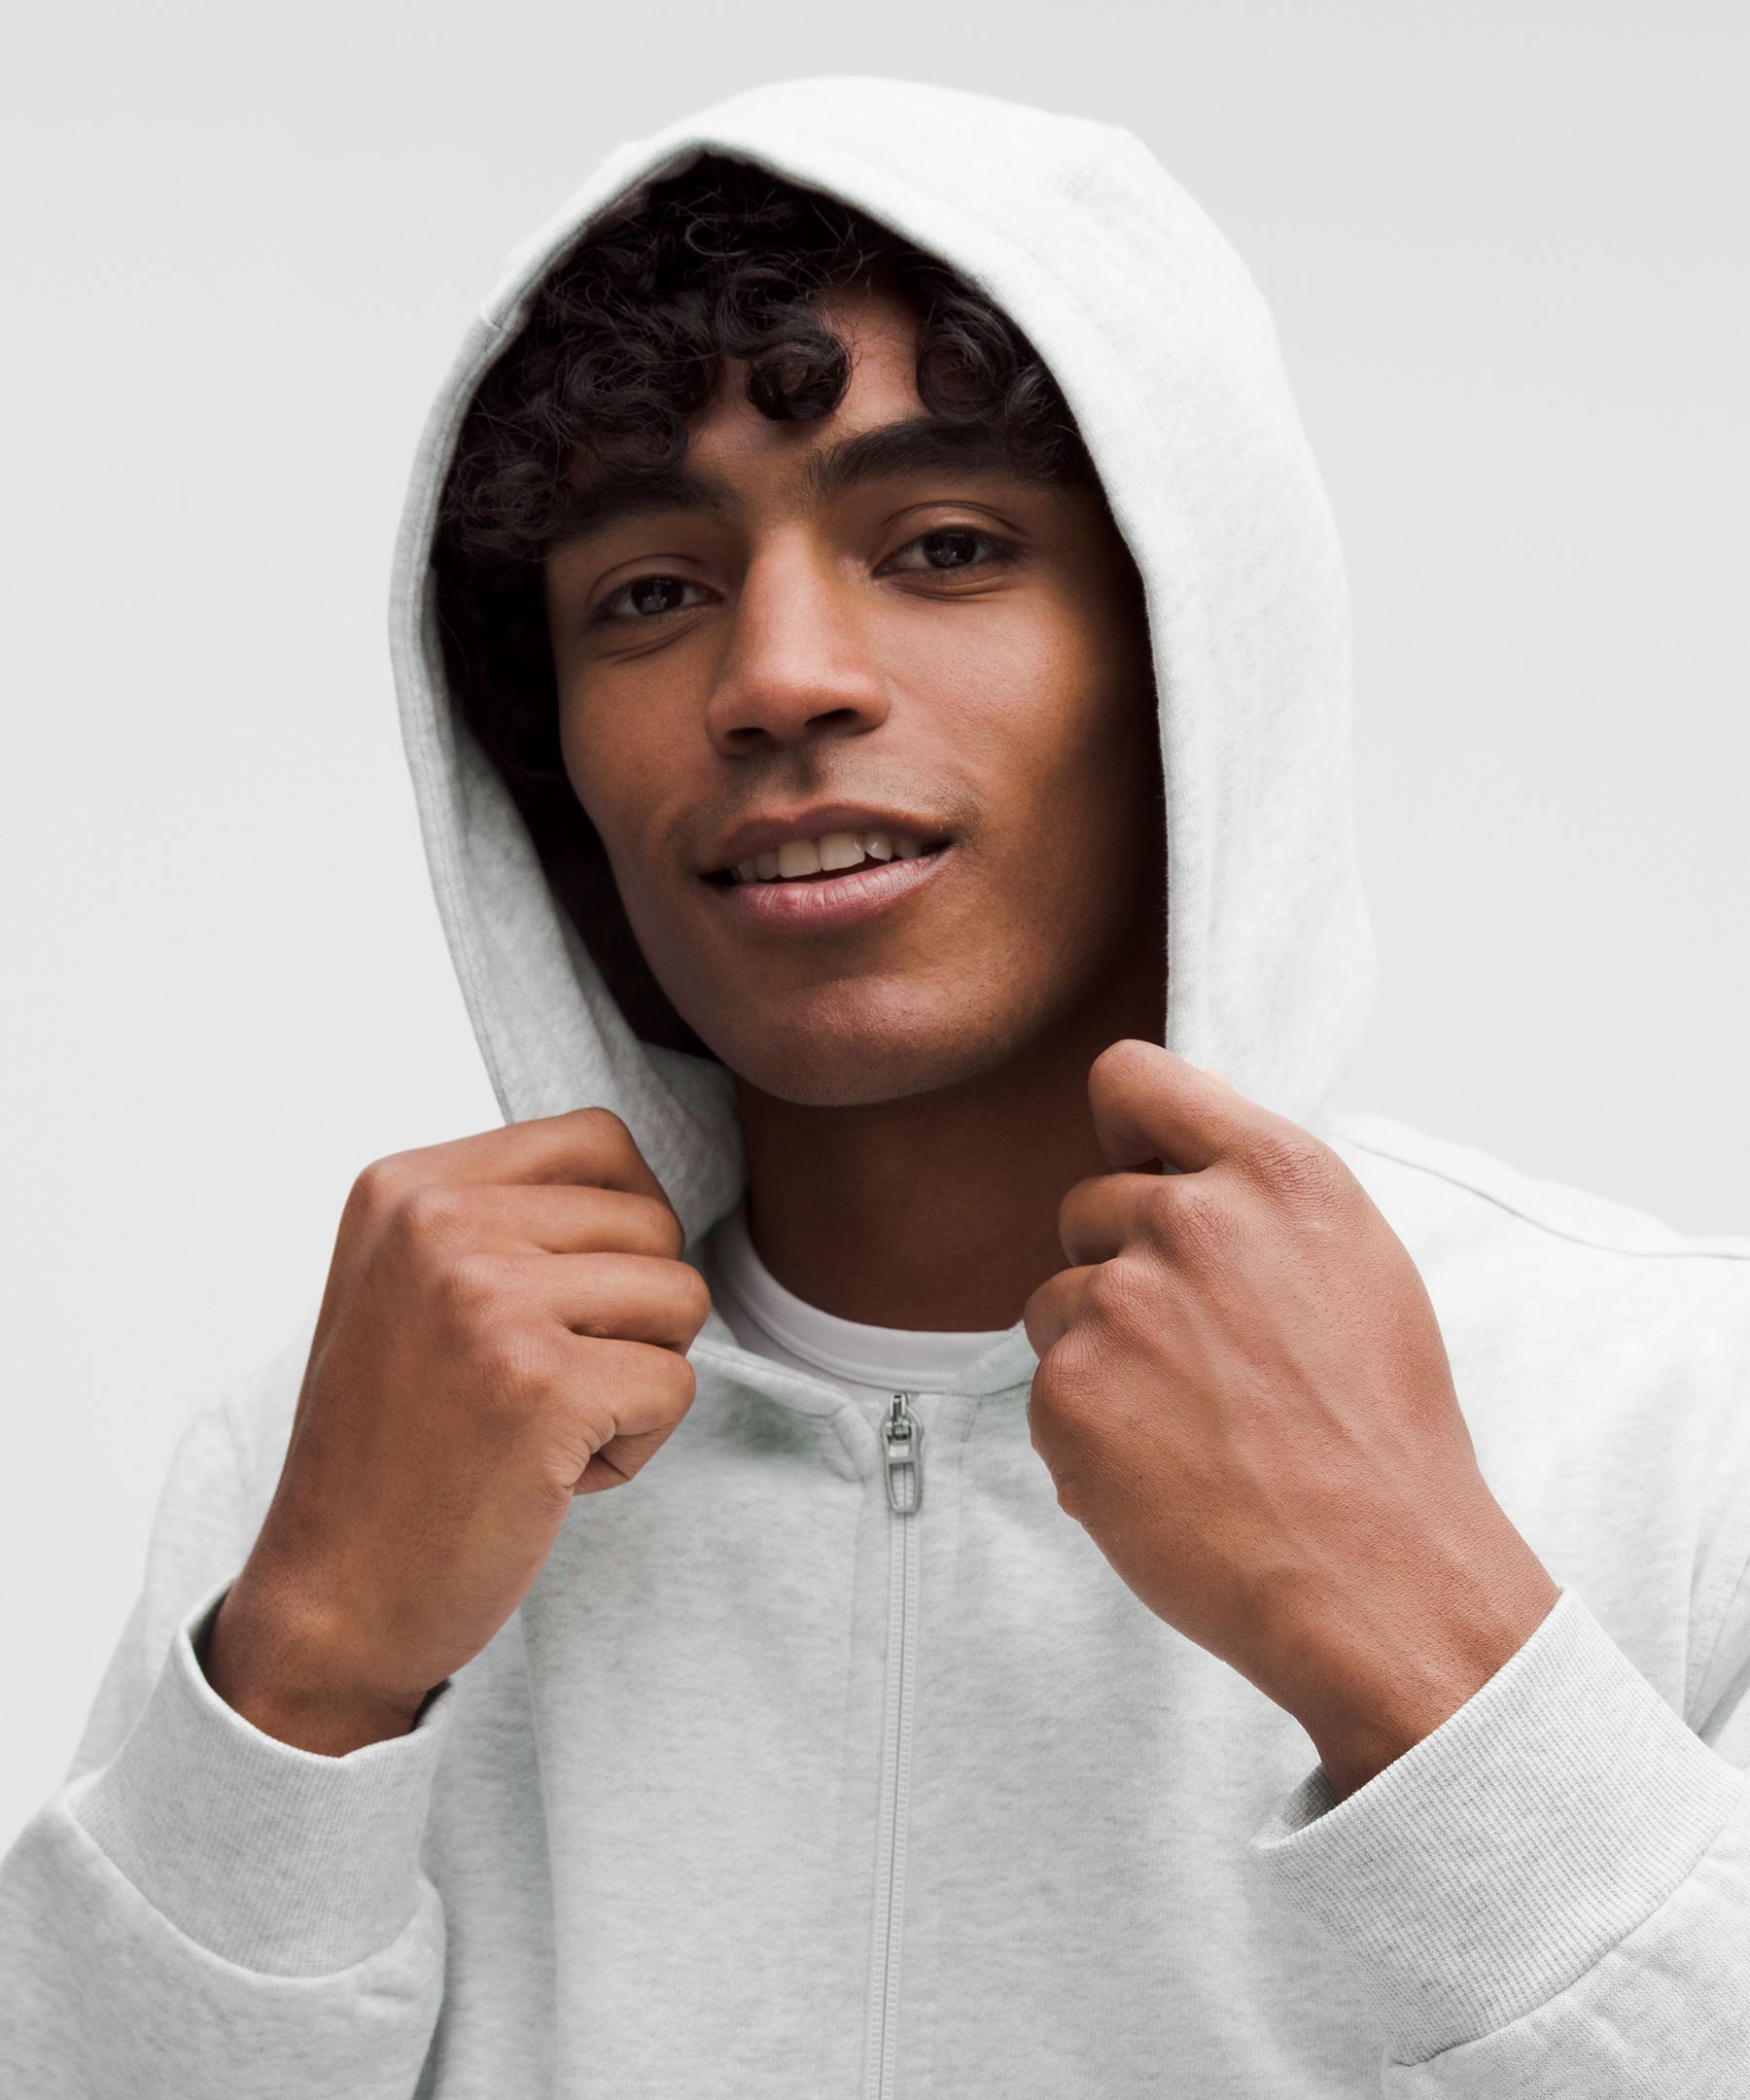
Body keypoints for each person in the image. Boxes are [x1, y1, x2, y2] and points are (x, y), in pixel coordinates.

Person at [3, 73, 1747, 2100]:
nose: (778, 678)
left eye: (944, 546)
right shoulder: (339, 1461)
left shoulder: (1683, 1427)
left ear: (1189, 648)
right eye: (650, 592)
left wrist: (1431, 1651)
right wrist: (305, 1671)